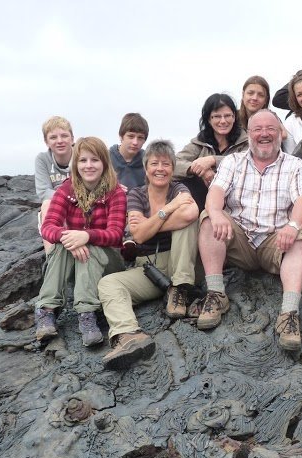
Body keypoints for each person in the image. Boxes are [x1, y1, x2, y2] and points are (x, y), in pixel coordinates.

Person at [196, 110, 302, 351]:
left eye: (270, 128)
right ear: (248, 133)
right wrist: (217, 213)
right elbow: (216, 191)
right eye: (257, 129)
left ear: (280, 132)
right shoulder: (232, 161)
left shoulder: (295, 165)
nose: (264, 134)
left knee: (299, 239)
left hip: (276, 241)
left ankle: (289, 314)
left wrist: (292, 226)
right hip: (239, 239)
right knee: (209, 218)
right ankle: (216, 294)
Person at [98, 140, 199, 370]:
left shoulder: (179, 189)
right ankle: (128, 335)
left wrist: (147, 225)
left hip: (179, 259)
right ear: (146, 168)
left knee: (188, 224)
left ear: (173, 168)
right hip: (149, 267)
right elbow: (138, 236)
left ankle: (180, 289)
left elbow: (191, 212)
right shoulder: (136, 194)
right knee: (109, 284)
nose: (160, 168)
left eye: (166, 164)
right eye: (154, 163)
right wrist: (167, 211)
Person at [35, 137, 126, 347]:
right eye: (83, 160)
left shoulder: (115, 192)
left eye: (94, 160)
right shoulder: (67, 190)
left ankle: (86, 313)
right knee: (59, 246)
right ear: (75, 164)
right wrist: (71, 239)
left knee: (91, 247)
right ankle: (46, 310)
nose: (88, 165)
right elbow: (48, 227)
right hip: (79, 261)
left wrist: (86, 236)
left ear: (104, 162)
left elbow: (115, 235)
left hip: (109, 264)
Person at [174, 94, 248, 211]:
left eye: (227, 116)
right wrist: (198, 169)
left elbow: (248, 161)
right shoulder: (199, 142)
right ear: (209, 119)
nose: (223, 121)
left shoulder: (246, 141)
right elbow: (173, 164)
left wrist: (212, 160)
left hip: (237, 203)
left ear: (234, 117)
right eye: (217, 116)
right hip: (202, 202)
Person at [35, 116, 74, 254]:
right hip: (59, 205)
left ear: (72, 138)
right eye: (53, 137)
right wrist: (67, 197)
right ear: (46, 141)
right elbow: (43, 191)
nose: (59, 141)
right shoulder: (42, 159)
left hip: (83, 203)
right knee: (46, 203)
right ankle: (52, 257)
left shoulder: (82, 155)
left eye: (64, 135)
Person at [109, 113, 149, 190]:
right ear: (121, 136)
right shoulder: (105, 159)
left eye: (140, 138)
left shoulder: (149, 161)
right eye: (131, 136)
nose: (135, 142)